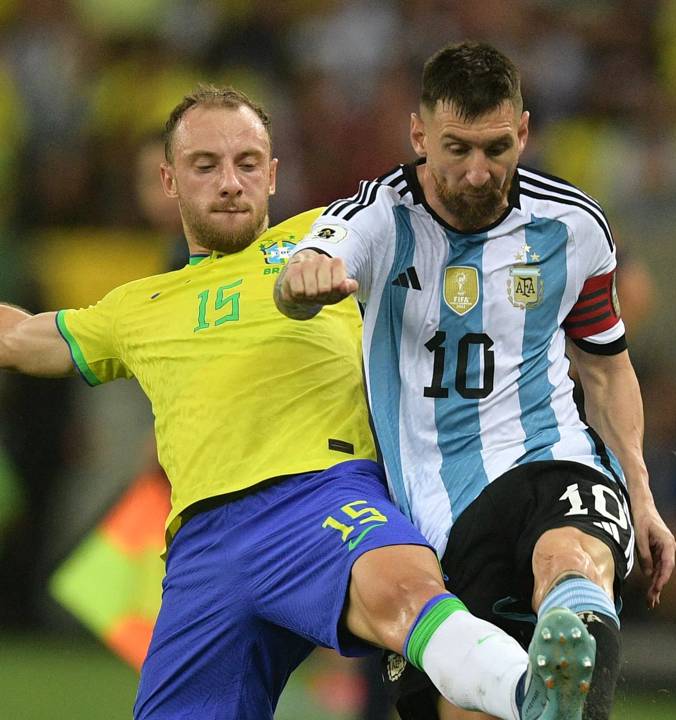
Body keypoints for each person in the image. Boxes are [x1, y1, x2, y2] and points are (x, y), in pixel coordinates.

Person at [0, 85, 595, 720]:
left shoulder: (333, 236)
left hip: (321, 495)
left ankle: (533, 695)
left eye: (248, 163)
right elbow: (21, 337)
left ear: (274, 174)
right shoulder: (134, 307)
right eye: (206, 165)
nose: (230, 182)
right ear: (169, 180)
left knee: (402, 592)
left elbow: (460, 211)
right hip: (202, 546)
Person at [275, 42, 676, 720]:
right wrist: (305, 276)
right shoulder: (379, 216)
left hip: (554, 457)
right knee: (473, 706)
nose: (476, 172)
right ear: (418, 135)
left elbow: (605, 366)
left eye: (496, 148)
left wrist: (639, 490)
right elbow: (314, 255)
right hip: (441, 510)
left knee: (572, 562)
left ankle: (569, 641)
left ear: (522, 131)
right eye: (456, 148)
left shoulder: (572, 226)